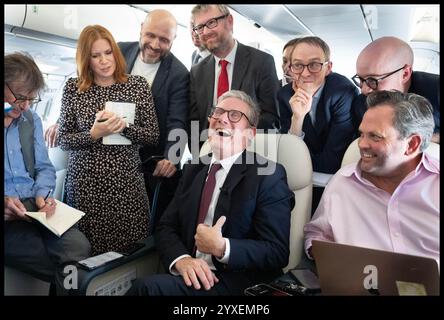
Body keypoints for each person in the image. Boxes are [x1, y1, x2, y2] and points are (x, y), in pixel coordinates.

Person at [128, 90, 294, 296]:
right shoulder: (193, 169)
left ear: (250, 134)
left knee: (146, 290)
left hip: (238, 283)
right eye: (218, 112)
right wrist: (182, 260)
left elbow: (277, 252)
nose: (222, 118)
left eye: (234, 115)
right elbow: (166, 227)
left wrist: (223, 247)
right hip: (191, 276)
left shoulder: (268, 174)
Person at [304, 90, 439, 265]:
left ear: (412, 145)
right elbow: (317, 234)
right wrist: (332, 262)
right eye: (362, 134)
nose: (361, 144)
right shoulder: (343, 182)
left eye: (375, 136)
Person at [57, 25, 159, 256]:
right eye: (95, 56)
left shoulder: (137, 85)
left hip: (126, 187)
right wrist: (93, 134)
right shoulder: (73, 89)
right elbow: (63, 139)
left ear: (115, 52)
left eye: (108, 52)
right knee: (86, 256)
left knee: (127, 258)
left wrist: (124, 127)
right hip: (85, 189)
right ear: (86, 59)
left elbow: (152, 135)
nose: (104, 60)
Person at [4, 52, 91, 295]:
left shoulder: (30, 120)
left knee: (79, 246)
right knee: (67, 268)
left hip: (34, 207)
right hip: (7, 217)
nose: (25, 106)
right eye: (20, 97)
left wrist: (43, 194)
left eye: (31, 99)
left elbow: (44, 167)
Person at [118, 9, 190, 228]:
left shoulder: (179, 73)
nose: (155, 44)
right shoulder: (119, 51)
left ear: (174, 40)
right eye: (150, 35)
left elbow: (177, 121)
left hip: (145, 161)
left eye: (164, 40)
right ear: (141, 30)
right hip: (109, 152)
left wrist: (172, 157)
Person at [278, 36, 358, 214]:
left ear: (328, 67)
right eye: (298, 65)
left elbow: (332, 160)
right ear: (290, 68)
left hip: (335, 181)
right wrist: (297, 119)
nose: (305, 73)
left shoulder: (342, 92)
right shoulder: (284, 96)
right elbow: (289, 158)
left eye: (314, 64)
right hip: (302, 179)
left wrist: (300, 162)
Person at [189, 4, 280, 156]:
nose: (205, 32)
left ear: (230, 21)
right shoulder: (197, 71)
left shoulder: (262, 62)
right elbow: (194, 120)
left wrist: (238, 143)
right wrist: (199, 156)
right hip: (210, 155)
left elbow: (271, 117)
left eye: (211, 23)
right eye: (199, 27)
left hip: (250, 154)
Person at [351, 36, 440, 143]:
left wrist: (429, 139)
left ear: (405, 74)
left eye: (372, 79)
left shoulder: (436, 90)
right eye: (360, 79)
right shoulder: (360, 105)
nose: (364, 90)